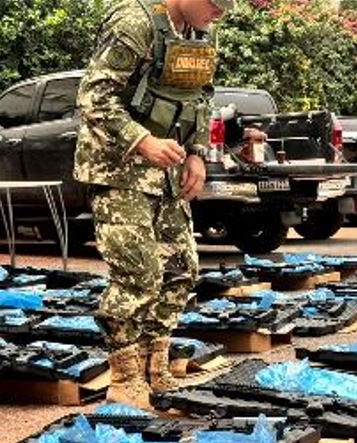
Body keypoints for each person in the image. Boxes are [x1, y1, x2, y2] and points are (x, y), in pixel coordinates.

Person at [74, 0, 231, 407]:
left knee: (181, 269)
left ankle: (154, 369)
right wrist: (141, 141)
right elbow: (93, 97)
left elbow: (202, 96)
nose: (221, 13)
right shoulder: (135, 22)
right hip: (118, 170)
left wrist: (197, 152)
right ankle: (125, 378)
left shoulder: (199, 33)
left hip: (167, 171)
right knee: (137, 274)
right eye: (217, 4)